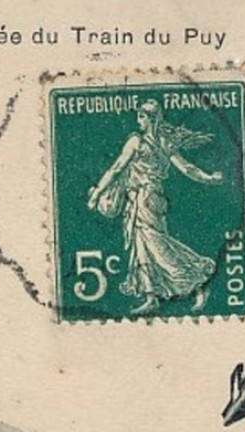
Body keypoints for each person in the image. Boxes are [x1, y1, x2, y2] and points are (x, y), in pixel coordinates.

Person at [87, 99, 225, 316]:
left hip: (143, 199)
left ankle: (197, 283)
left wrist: (97, 192)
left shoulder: (136, 141)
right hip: (152, 199)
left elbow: (116, 168)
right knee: (143, 246)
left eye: (141, 116)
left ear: (148, 118)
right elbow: (187, 168)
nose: (138, 120)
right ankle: (151, 296)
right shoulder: (164, 142)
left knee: (156, 245)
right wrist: (209, 178)